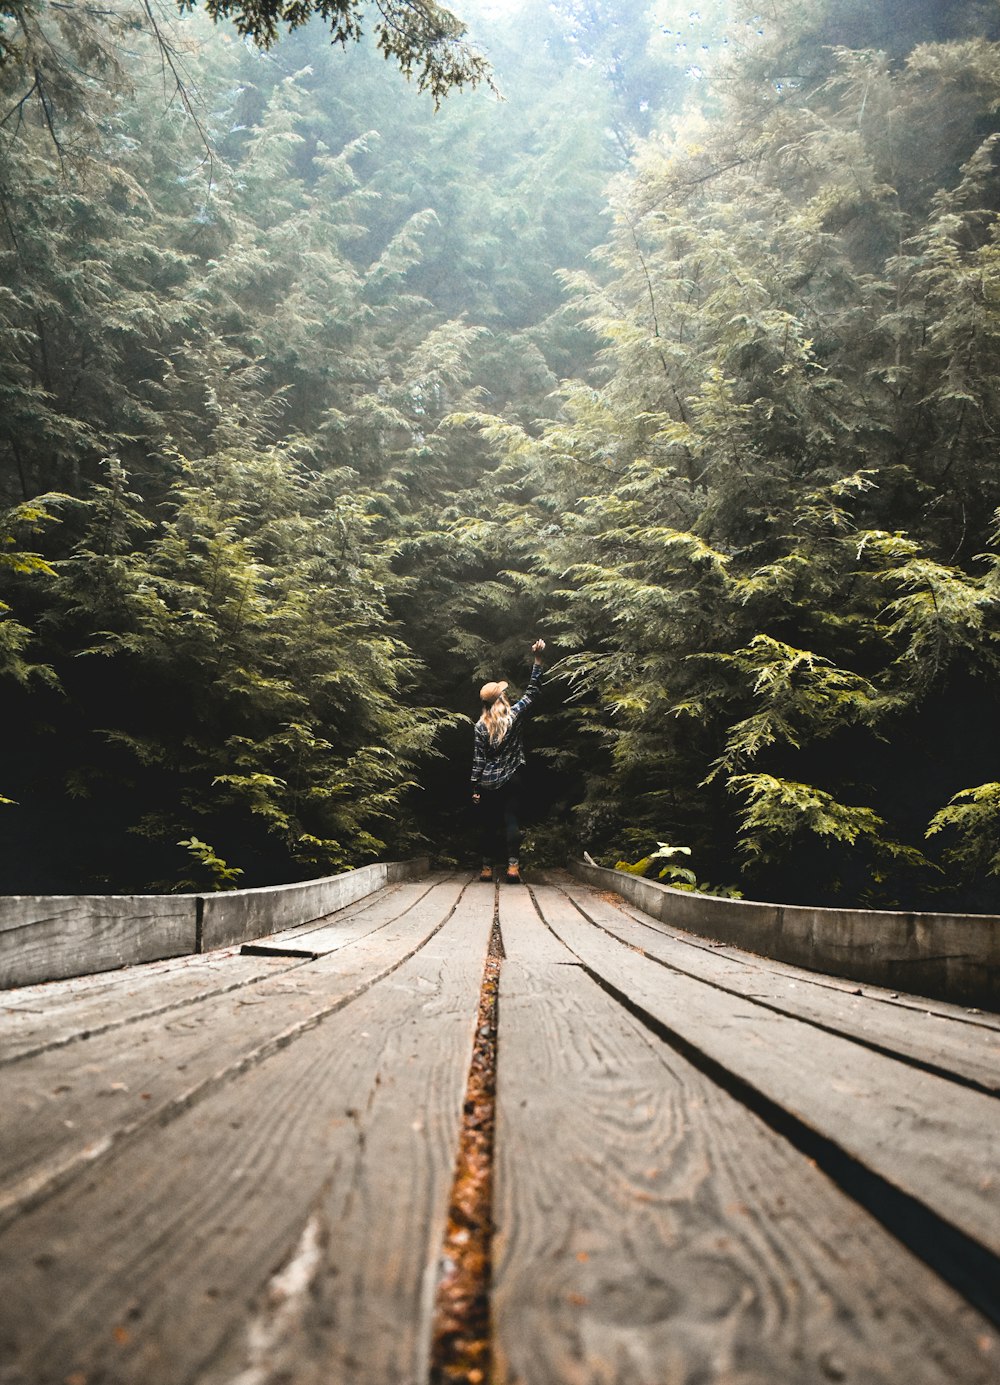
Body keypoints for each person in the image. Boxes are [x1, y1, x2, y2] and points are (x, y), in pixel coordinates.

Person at [470, 639, 545, 884]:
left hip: (488, 782)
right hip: (512, 777)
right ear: (500, 699)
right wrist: (537, 659)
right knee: (511, 819)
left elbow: (478, 759)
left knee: (488, 824)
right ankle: (513, 868)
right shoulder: (513, 716)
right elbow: (533, 692)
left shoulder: (480, 727)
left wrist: (474, 787)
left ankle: (487, 869)